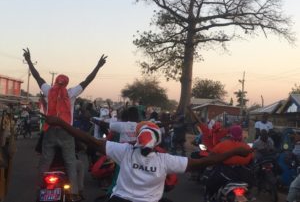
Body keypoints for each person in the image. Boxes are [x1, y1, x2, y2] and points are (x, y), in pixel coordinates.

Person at [43, 115, 252, 202]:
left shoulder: (124, 151)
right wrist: (234, 152)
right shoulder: (165, 160)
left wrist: (61, 123)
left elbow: (90, 140)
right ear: (158, 141)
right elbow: (204, 162)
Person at [23, 48, 107, 201]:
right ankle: (74, 192)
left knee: (45, 162)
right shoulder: (71, 93)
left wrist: (29, 61)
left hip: (49, 131)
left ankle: (39, 190)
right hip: (66, 131)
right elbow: (87, 80)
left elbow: (37, 77)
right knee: (70, 162)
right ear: (67, 83)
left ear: (55, 82)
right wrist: (98, 66)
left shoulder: (48, 90)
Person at [204, 125, 254, 198]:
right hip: (243, 175)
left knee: (210, 184)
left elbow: (211, 156)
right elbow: (251, 160)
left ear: (230, 134)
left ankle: (208, 198)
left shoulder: (223, 144)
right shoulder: (246, 147)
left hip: (225, 173)